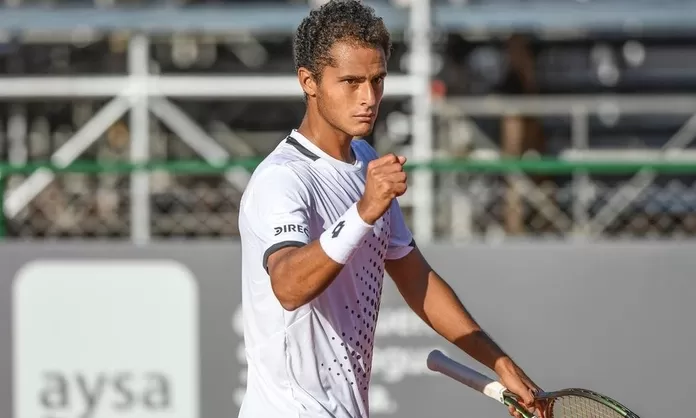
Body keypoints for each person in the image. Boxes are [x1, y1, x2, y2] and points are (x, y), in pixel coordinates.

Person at [237, 1, 544, 417]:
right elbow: (288, 287)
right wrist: (364, 210)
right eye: (350, 82)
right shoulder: (282, 179)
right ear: (308, 81)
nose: (368, 98)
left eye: (377, 80)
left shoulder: (365, 159)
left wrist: (498, 361)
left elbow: (417, 280)